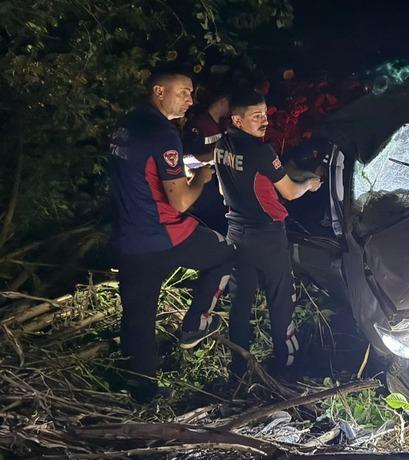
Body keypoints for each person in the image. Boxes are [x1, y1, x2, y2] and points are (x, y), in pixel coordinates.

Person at [107, 65, 235, 401]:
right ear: (159, 91)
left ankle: (142, 388)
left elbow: (155, 165)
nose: (190, 100)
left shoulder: (126, 125)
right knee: (224, 255)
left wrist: (197, 160)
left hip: (129, 238)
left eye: (191, 93)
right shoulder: (164, 135)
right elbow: (179, 201)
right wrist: (202, 180)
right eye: (183, 92)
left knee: (137, 313)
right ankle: (194, 326)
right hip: (166, 232)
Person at [214, 89, 321, 378]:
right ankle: (286, 367)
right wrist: (309, 183)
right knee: (280, 297)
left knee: (240, 301)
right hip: (267, 236)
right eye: (255, 116)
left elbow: (224, 189)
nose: (264, 121)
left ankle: (238, 368)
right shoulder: (261, 152)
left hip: (235, 231)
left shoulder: (220, 144)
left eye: (264, 114)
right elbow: (289, 191)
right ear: (237, 119)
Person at [183, 87, 230, 234]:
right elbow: (185, 161)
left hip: (220, 191)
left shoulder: (223, 125)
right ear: (222, 102)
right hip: (203, 194)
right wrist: (211, 157)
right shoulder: (197, 126)